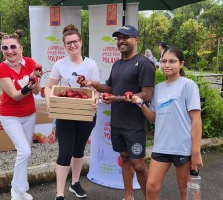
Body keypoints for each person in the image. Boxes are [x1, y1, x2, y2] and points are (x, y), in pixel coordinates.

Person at [84, 25, 155, 200]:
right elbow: (110, 87)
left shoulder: (144, 64)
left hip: (134, 125)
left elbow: (146, 94)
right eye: (118, 38)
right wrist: (91, 82)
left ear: (136, 40)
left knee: (138, 164)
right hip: (117, 123)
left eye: (126, 37)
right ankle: (128, 196)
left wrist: (118, 98)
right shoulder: (117, 64)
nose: (121, 41)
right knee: (124, 157)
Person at [130, 46, 203, 200]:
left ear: (181, 64)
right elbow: (154, 118)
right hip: (161, 146)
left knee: (186, 190)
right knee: (151, 187)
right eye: (163, 61)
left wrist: (196, 152)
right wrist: (140, 103)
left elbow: (196, 119)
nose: (167, 65)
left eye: (172, 61)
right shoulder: (159, 88)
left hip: (183, 148)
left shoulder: (188, 85)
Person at [44, 24, 100, 200]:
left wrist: (96, 99)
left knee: (79, 150)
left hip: (86, 113)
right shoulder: (60, 64)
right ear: (64, 46)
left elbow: (96, 89)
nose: (72, 45)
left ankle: (75, 183)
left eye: (75, 41)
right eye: (68, 43)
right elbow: (49, 87)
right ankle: (59, 193)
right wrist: (49, 101)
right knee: (65, 152)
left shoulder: (91, 64)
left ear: (81, 42)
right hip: (66, 113)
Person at [0, 29, 41, 200]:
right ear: (2, 51)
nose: (9, 51)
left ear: (21, 48)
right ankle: (16, 190)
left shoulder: (30, 63)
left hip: (29, 114)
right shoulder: (0, 69)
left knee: (24, 153)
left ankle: (21, 190)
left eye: (13, 47)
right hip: (10, 116)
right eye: (5, 48)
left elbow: (37, 92)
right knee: (25, 151)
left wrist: (35, 80)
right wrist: (29, 84)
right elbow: (15, 95)